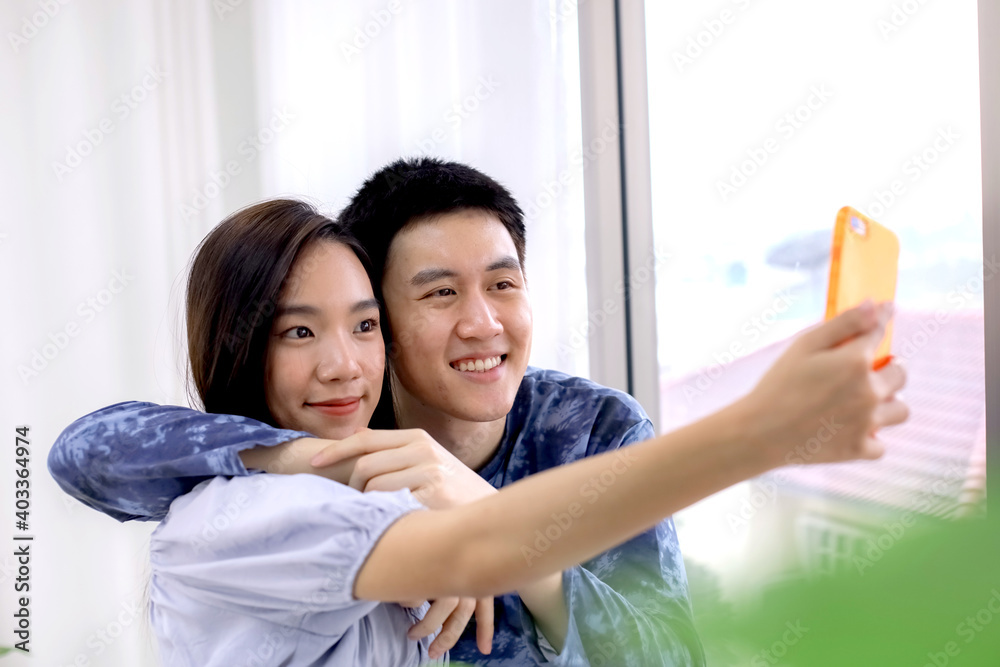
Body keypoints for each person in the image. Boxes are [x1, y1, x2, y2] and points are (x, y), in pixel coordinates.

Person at [48, 159, 909, 666]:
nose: (483, 321)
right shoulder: (342, 435)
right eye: (438, 293)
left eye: (503, 282)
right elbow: (88, 453)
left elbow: (670, 654)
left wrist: (497, 532)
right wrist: (297, 456)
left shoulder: (593, 429)